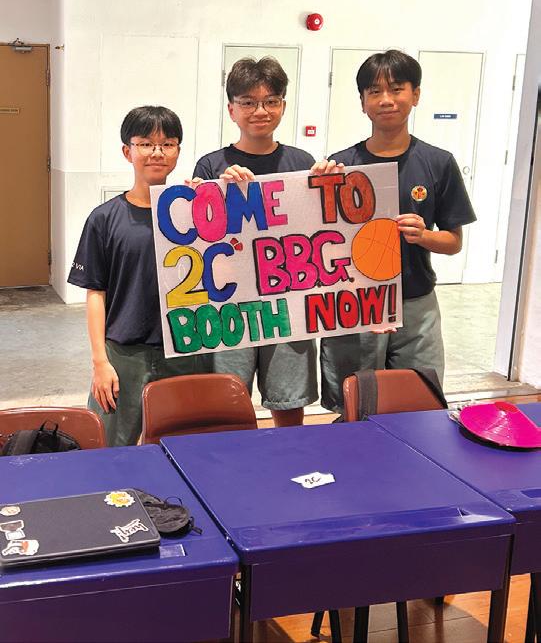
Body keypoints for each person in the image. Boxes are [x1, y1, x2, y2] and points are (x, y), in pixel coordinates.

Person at [319, 49, 476, 412]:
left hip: (415, 302)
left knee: (417, 401)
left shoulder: (438, 163)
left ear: (415, 94)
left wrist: (424, 236)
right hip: (355, 304)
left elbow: (453, 241)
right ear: (362, 102)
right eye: (374, 91)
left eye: (396, 89)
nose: (386, 99)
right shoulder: (341, 165)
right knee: (353, 405)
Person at [68, 106, 206, 446]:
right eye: (145, 143)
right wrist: (100, 361)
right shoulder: (104, 218)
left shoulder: (196, 214)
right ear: (127, 151)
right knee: (110, 447)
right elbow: (95, 293)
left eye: (167, 144)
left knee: (177, 446)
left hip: (183, 351)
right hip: (122, 354)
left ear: (177, 151)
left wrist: (215, 197)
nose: (157, 152)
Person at [193, 56, 318, 427]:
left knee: (288, 400)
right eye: (248, 102)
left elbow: (317, 230)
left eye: (270, 101)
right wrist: (206, 193)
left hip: (289, 301)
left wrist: (329, 184)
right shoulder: (211, 165)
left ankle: (288, 456)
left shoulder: (302, 161)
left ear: (283, 106)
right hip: (230, 303)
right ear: (231, 109)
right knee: (225, 401)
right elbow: (196, 242)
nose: (260, 111)